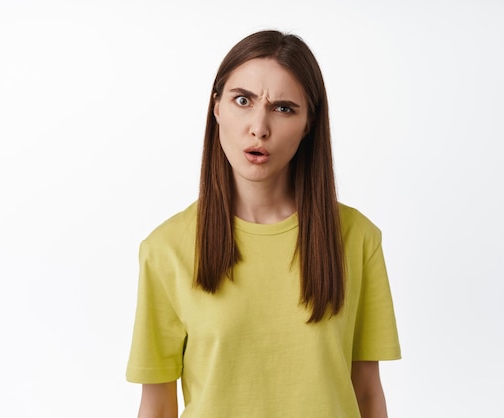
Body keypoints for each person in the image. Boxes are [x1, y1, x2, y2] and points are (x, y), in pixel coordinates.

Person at [126, 30, 401, 418]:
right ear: (216, 107)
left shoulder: (357, 239)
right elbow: (156, 407)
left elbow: (368, 394)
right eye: (243, 100)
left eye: (284, 108)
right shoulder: (165, 249)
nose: (259, 127)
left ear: (309, 123)